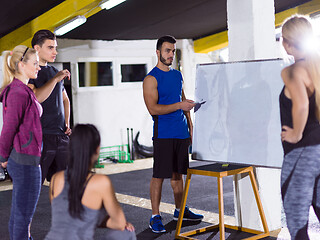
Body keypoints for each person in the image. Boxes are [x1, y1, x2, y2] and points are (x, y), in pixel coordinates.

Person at [143, 35, 204, 233]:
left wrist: (192, 128)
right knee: (159, 176)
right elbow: (153, 109)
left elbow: (183, 101)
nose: (171, 54)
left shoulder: (177, 75)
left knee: (178, 175)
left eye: (173, 51)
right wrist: (179, 105)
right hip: (164, 134)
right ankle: (155, 216)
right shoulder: (151, 78)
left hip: (181, 132)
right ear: (158, 52)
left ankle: (180, 209)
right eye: (167, 50)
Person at [45, 124, 136, 240]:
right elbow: (119, 223)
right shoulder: (101, 182)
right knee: (126, 233)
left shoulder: (56, 179)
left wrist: (91, 215)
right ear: (97, 149)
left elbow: (65, 217)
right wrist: (97, 216)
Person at [280, 15, 320, 239]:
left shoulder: (292, 71)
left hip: (301, 155)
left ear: (286, 43)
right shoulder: (317, 69)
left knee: (297, 228)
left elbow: (302, 104)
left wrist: (295, 134)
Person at [0, 45, 42, 239]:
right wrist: (2, 157)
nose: (39, 67)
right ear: (20, 65)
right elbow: (8, 128)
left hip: (24, 159)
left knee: (19, 215)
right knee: (22, 217)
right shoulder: (18, 92)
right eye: (35, 63)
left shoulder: (22, 90)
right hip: (24, 161)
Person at [28, 29, 71, 184]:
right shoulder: (31, 72)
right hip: (41, 137)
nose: (55, 52)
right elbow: (36, 98)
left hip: (60, 136)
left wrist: (66, 122)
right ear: (37, 49)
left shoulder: (54, 71)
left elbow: (65, 100)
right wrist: (55, 79)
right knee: (35, 184)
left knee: (61, 183)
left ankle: (60, 209)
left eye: (55, 47)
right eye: (50, 47)